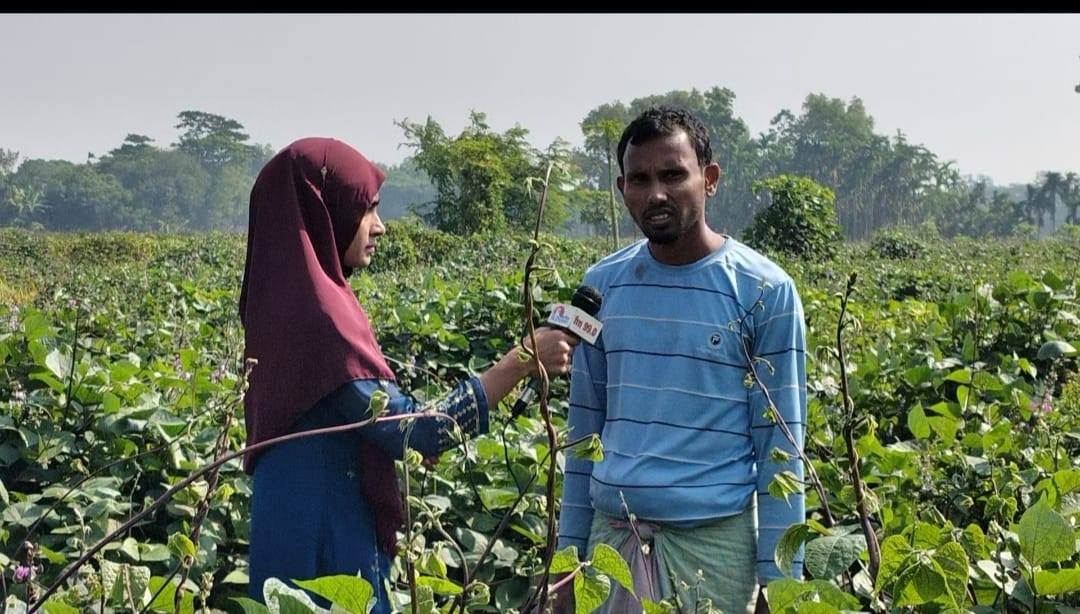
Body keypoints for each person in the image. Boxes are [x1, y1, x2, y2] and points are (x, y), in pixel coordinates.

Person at [239, 137, 578, 612]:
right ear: (326, 211)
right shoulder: (319, 320)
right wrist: (521, 359)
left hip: (291, 519)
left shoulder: (282, 302)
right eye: (367, 209)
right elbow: (420, 430)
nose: (380, 227)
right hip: (325, 533)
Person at [555, 107, 807, 613]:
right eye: (640, 180)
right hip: (610, 550)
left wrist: (780, 589)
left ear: (708, 179)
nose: (656, 195)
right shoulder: (601, 287)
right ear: (622, 187)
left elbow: (782, 443)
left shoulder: (764, 292)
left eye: (673, 175)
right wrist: (566, 563)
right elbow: (585, 432)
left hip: (710, 554)